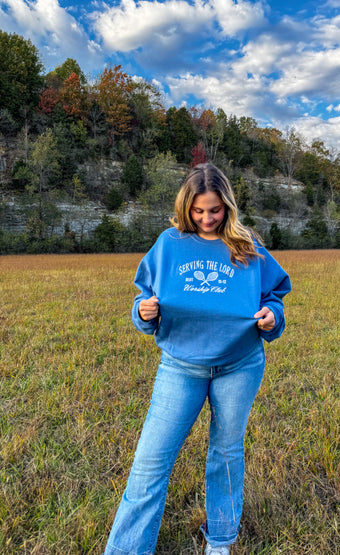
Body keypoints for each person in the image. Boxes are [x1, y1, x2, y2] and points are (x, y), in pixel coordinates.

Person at [103, 163, 291, 555]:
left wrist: (273, 317)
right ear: (186, 206)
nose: (207, 219)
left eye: (216, 210)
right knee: (150, 462)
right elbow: (142, 297)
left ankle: (220, 540)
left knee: (225, 452)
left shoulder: (247, 244)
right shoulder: (169, 244)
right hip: (181, 367)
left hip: (239, 366)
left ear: (228, 206)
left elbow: (274, 294)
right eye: (199, 210)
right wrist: (143, 312)